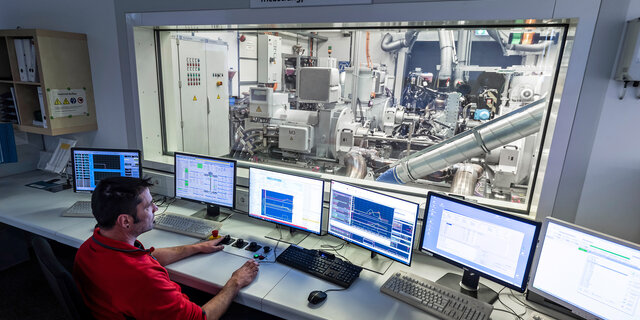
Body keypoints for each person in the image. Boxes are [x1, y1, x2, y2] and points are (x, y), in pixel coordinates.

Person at [73, 176, 259, 320]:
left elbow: (148, 258)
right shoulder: (143, 277)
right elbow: (202, 317)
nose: (156, 208)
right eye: (148, 206)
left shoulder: (91, 247)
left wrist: (196, 247)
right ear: (125, 221)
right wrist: (236, 281)